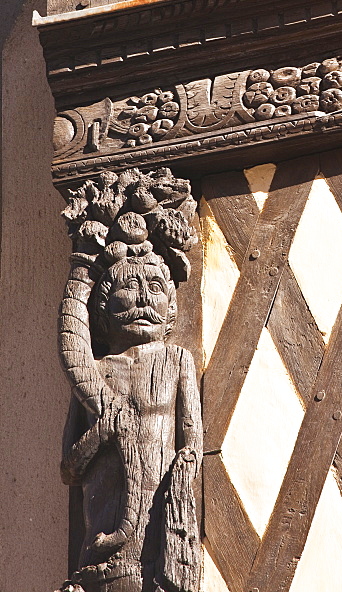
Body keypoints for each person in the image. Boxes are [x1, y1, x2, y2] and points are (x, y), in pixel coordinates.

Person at [60, 229, 201, 592]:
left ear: (171, 306)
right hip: (104, 531)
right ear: (104, 308)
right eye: (129, 288)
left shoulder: (176, 360)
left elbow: (192, 443)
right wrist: (102, 432)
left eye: (155, 288)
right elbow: (70, 469)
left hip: (156, 529)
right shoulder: (95, 372)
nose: (142, 299)